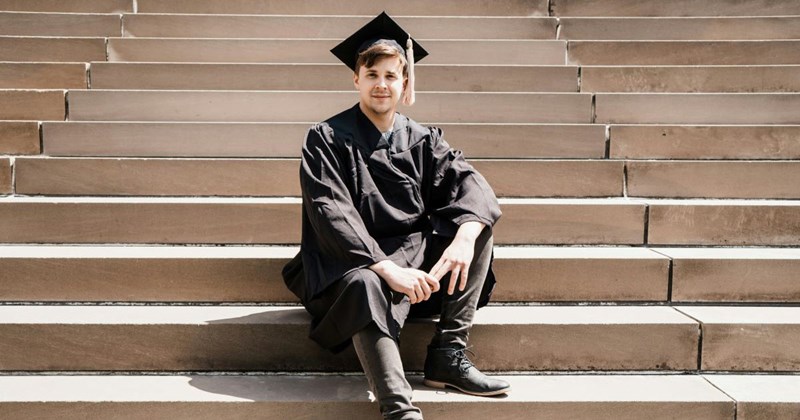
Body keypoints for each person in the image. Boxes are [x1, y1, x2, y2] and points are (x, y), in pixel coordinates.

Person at [282, 12, 510, 420]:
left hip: (415, 273)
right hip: (348, 270)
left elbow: (472, 186)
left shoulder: (423, 139)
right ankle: (398, 408)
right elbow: (330, 212)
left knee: (476, 227)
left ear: (405, 82)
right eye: (372, 75)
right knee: (366, 283)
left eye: (391, 75)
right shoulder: (326, 138)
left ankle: (446, 355)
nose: (382, 84)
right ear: (357, 80)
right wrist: (387, 269)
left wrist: (463, 238)